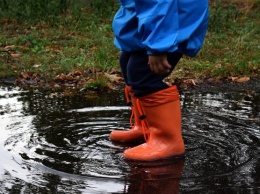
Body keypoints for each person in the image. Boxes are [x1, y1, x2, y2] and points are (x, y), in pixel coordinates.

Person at [110, 0, 209, 161]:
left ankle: (168, 142)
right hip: (157, 18)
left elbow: (159, 4)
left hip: (172, 21)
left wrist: (158, 47)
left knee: (142, 73)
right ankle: (145, 127)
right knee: (127, 61)